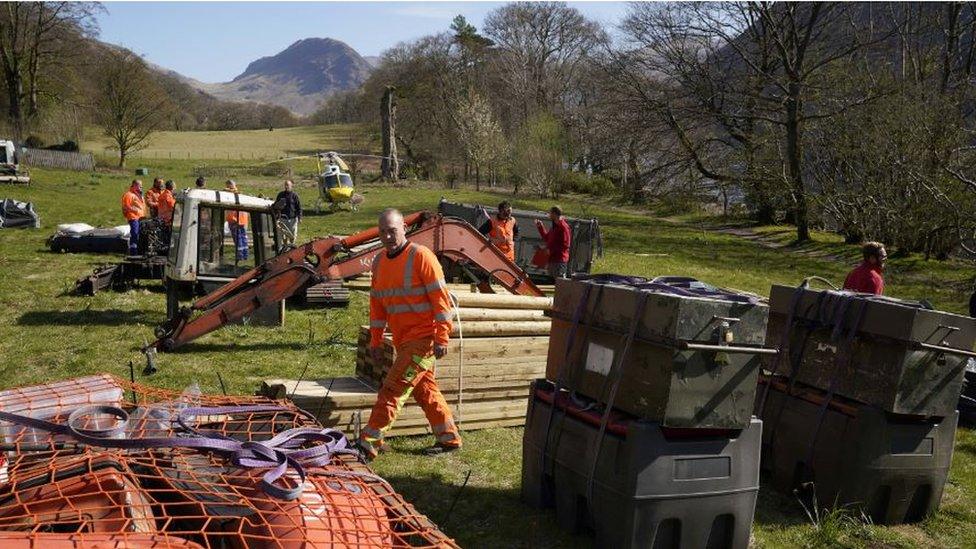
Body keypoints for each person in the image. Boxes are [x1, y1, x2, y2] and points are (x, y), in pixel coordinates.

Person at [359, 208, 462, 460]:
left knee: (393, 388)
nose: (388, 237)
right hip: (403, 341)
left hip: (423, 340)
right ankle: (449, 438)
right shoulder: (379, 263)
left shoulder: (421, 256)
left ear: (404, 228)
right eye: (382, 232)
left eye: (392, 231)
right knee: (424, 389)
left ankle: (369, 442)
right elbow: (378, 306)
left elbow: (441, 302)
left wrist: (441, 337)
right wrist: (375, 338)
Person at [535, 206, 572, 278]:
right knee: (552, 282)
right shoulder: (554, 227)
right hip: (552, 260)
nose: (549, 215)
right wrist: (540, 227)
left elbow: (566, 244)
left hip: (559, 260)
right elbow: (547, 238)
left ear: (555, 214)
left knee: (559, 282)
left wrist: (550, 250)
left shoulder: (563, 227)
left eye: (550, 213)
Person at [224, 180, 249, 262]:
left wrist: (227, 189)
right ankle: (245, 255)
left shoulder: (230, 194)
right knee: (243, 238)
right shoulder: (240, 194)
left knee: (238, 239)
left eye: (227, 186)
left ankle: (240, 256)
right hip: (242, 220)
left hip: (234, 220)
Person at [121, 180, 146, 255]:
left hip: (141, 218)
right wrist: (136, 210)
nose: (141, 187)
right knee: (135, 233)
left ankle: (138, 250)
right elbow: (126, 206)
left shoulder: (139, 195)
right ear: (134, 185)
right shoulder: (129, 195)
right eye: (139, 185)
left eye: (141, 185)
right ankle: (133, 251)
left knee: (139, 234)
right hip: (133, 218)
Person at [274, 179, 302, 246]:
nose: (286, 186)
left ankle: (292, 249)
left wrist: (300, 217)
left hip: (292, 219)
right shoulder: (280, 195)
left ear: (291, 186)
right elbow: (276, 205)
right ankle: (284, 250)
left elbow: (299, 207)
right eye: (285, 185)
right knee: (284, 236)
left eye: (288, 185)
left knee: (292, 236)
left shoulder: (295, 196)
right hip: (283, 219)